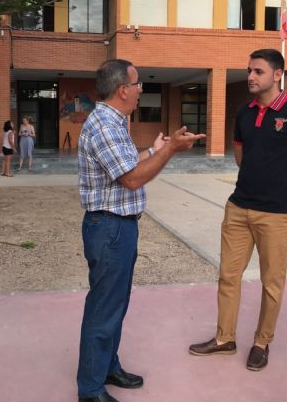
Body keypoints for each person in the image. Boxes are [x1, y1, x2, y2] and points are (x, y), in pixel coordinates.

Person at [77, 59, 205, 402]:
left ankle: (107, 366)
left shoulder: (114, 121)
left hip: (118, 227)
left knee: (114, 305)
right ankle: (90, 389)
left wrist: (157, 149)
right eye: (137, 85)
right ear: (122, 90)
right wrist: (172, 151)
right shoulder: (104, 123)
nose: (140, 90)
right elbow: (132, 178)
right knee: (104, 308)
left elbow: (127, 161)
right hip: (109, 228)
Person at [188, 49, 287, 371]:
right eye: (249, 70)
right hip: (238, 209)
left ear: (277, 75)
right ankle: (224, 339)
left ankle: (262, 342)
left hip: (275, 214)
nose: (250, 76)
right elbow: (240, 157)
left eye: (258, 71)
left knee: (271, 282)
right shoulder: (244, 113)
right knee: (228, 277)